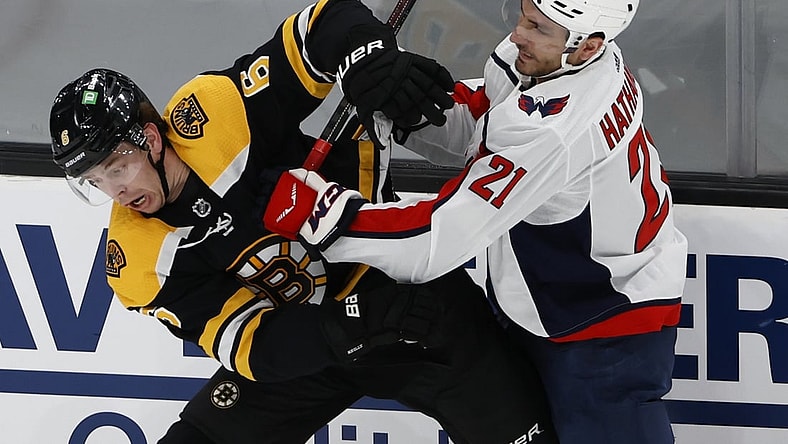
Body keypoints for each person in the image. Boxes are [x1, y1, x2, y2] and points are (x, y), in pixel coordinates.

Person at [48, 1, 558, 443]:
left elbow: (326, 23)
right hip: (310, 339)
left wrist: (368, 59)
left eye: (116, 166)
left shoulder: (213, 116)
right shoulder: (136, 260)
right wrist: (348, 323)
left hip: (408, 298)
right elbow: (256, 348)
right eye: (94, 180)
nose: (116, 191)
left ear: (151, 139)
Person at [264, 0, 689, 443]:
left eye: (539, 27)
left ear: (589, 45)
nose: (520, 34)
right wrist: (404, 103)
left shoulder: (559, 130)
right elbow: (489, 125)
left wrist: (321, 215)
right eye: (522, 15)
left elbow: (435, 240)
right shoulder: (555, 62)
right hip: (544, 297)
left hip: (607, 321)